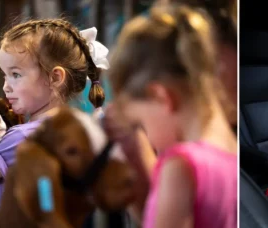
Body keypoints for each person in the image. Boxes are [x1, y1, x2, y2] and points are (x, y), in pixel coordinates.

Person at [0, 18, 107, 228]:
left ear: (55, 78)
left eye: (16, 74)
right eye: (5, 75)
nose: (6, 86)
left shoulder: (24, 137)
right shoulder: (73, 131)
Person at [100, 4, 238, 227]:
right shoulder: (232, 153)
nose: (144, 133)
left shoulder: (181, 167)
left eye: (140, 122)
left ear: (161, 97)